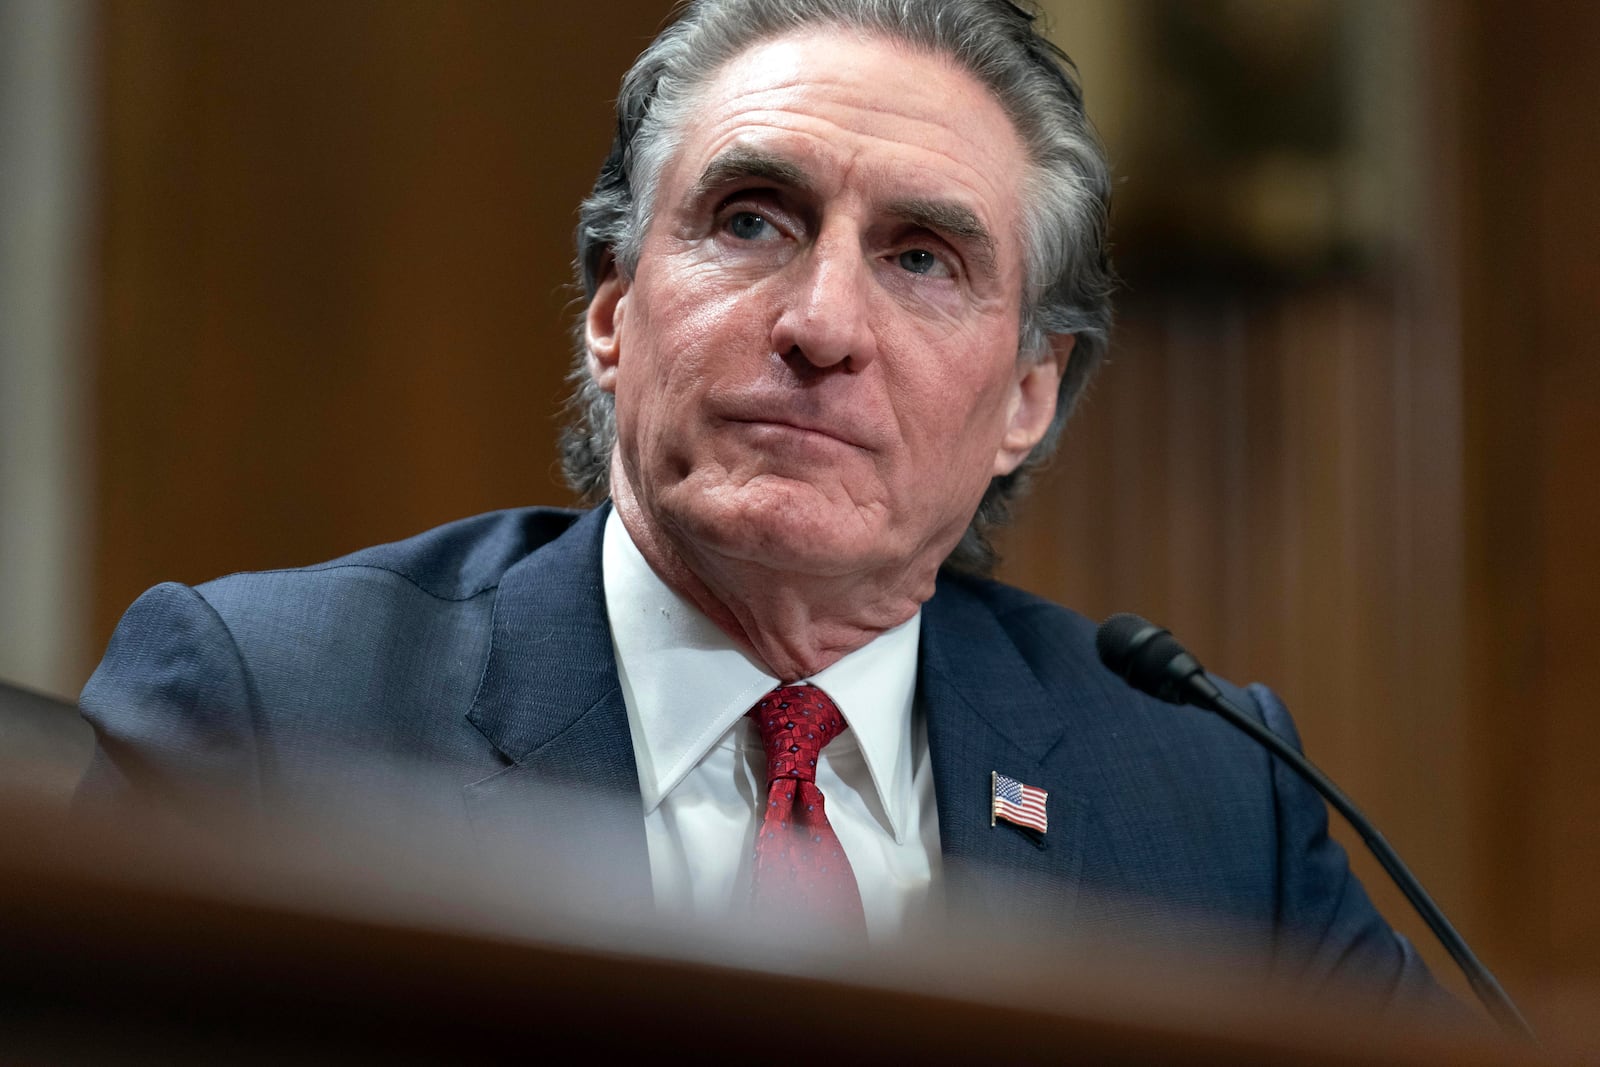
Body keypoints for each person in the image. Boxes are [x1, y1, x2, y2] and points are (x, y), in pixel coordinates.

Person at [79, 0, 1444, 1007]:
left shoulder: (1206, 794)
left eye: (922, 257)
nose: (823, 322)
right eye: (750, 221)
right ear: (612, 310)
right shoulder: (275, 711)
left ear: (1028, 395)